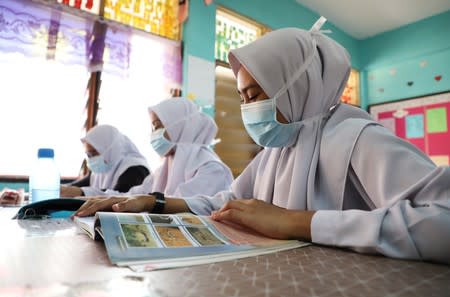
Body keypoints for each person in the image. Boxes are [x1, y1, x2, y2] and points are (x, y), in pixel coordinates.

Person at [75, 18, 450, 264]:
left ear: (295, 87)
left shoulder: (356, 138)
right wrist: (155, 202)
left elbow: (443, 222)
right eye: (241, 98)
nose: (246, 109)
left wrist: (297, 222)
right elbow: (228, 203)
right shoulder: (278, 150)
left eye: (255, 95)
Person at [80, 97, 233, 198]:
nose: (154, 134)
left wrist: (146, 202)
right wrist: (99, 198)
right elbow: (134, 195)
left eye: (158, 127)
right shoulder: (163, 170)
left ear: (180, 127)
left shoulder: (211, 169)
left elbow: (183, 207)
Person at [61, 124, 150, 197]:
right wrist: (62, 189)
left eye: (94, 153)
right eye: (88, 154)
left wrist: (82, 192)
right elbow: (75, 187)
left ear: (110, 149)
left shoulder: (134, 169)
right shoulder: (103, 167)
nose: (91, 158)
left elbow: (120, 198)